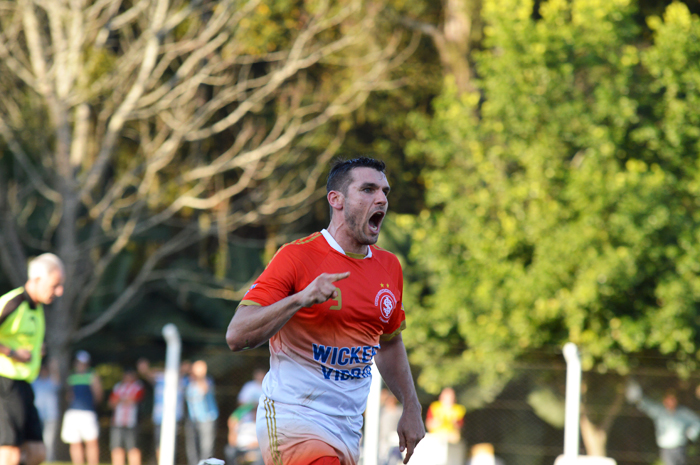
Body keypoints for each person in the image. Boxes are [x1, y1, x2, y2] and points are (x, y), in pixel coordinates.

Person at [226, 157, 425, 465]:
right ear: (337, 200)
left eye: (384, 191)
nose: (382, 198)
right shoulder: (296, 257)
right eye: (368, 189)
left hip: (347, 428)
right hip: (293, 417)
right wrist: (300, 299)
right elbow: (237, 335)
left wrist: (412, 407)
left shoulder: (389, 266)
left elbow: (388, 342)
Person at [0, 253, 65, 465]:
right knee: (9, 453)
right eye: (55, 285)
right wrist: (11, 353)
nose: (59, 291)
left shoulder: (36, 308)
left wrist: (37, 350)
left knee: (37, 452)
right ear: (37, 279)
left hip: (24, 384)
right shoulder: (13, 303)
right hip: (5, 382)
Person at [626, 381, 700, 465]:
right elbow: (646, 405)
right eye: (669, 399)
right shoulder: (659, 411)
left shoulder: (684, 412)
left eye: (673, 399)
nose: (671, 401)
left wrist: (691, 434)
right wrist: (637, 398)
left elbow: (697, 421)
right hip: (665, 449)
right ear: (664, 400)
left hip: (679, 448)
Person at [137, 358, 188, 462]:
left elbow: (188, 369)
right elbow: (148, 373)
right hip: (159, 417)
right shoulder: (160, 377)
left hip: (175, 418)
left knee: (173, 444)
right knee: (159, 444)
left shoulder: (183, 380)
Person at [61, 350, 103, 465]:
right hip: (73, 412)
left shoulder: (92, 375)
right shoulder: (72, 375)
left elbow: (98, 394)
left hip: (87, 412)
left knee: (91, 441)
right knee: (75, 442)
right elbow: (69, 395)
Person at [185, 360, 219, 465]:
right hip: (193, 420)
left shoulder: (207, 381)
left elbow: (204, 389)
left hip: (207, 419)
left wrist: (200, 376)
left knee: (206, 448)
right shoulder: (188, 383)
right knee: (192, 449)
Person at [109, 368, 146, 465]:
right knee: (116, 447)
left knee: (133, 448)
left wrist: (120, 399)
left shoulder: (138, 387)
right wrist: (124, 399)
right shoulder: (118, 387)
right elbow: (112, 402)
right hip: (118, 421)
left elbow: (134, 400)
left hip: (132, 422)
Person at [32, 358, 61, 462]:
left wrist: (54, 367)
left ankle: (48, 459)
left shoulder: (51, 382)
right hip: (37, 415)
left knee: (49, 440)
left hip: (51, 416)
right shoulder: (35, 382)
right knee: (37, 439)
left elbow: (57, 380)